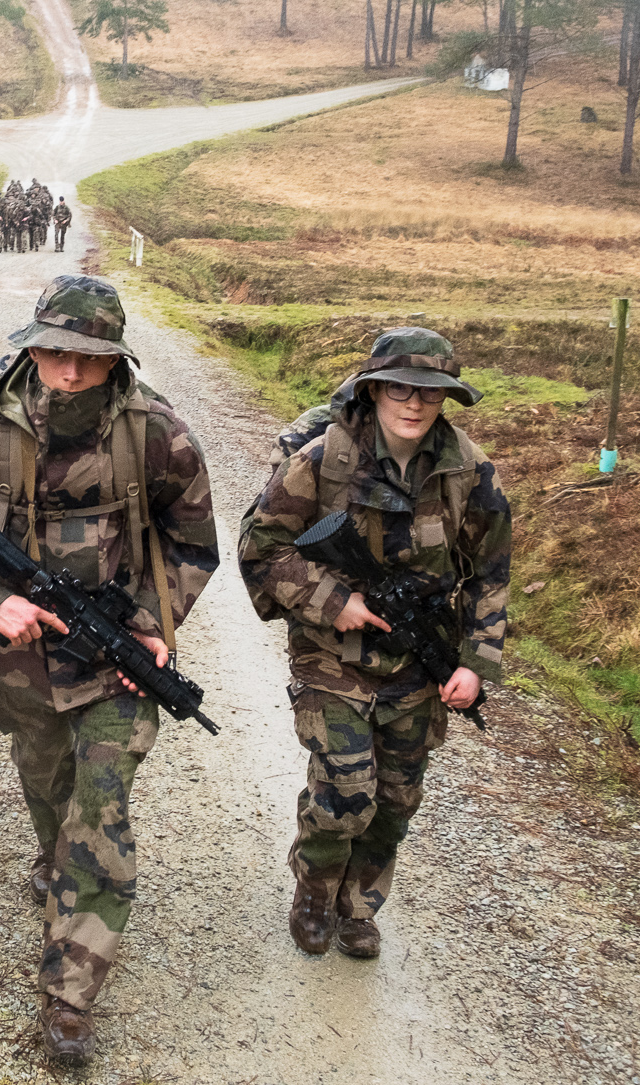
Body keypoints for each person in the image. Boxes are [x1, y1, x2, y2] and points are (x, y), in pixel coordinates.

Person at [0, 275, 215, 1065]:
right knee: (48, 784)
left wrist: (151, 622)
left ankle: (70, 990)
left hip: (120, 665)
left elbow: (192, 543)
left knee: (99, 803)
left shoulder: (159, 437)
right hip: (20, 666)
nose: (69, 371)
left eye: (88, 357)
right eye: (53, 352)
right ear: (32, 346)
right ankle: (57, 858)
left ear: (115, 358)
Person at [238, 327, 510, 960]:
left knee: (395, 798)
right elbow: (262, 549)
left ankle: (358, 907)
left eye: (429, 393)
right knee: (345, 789)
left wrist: (474, 663)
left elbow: (489, 574)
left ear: (446, 399)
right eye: (398, 389)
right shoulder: (322, 459)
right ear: (374, 389)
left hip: (418, 657)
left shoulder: (468, 471)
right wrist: (337, 604)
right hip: (332, 653)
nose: (413, 405)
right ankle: (315, 886)